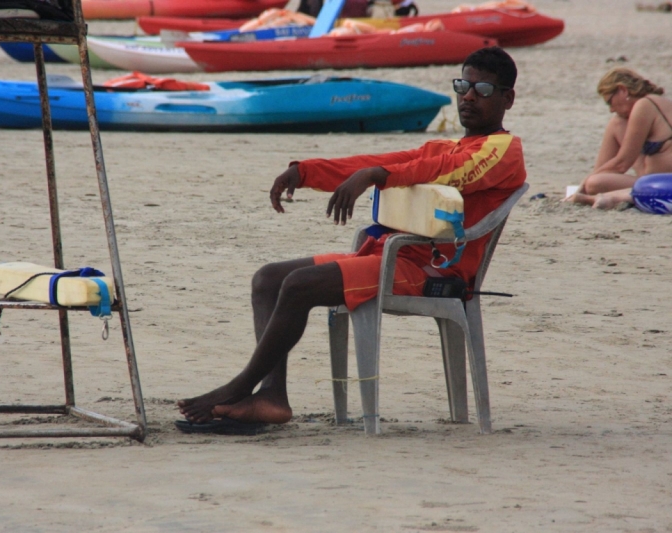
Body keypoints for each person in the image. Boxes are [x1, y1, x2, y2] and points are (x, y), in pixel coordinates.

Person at [176, 46, 526, 430]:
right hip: (395, 259)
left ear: (507, 98)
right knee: (269, 279)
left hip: (437, 274)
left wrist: (375, 176)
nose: (469, 96)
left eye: (483, 90)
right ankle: (272, 398)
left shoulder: (504, 149)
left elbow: (449, 171)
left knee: (299, 286)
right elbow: (383, 161)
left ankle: (238, 386)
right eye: (463, 85)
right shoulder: (444, 145)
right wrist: (307, 172)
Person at [566, 68, 672, 209]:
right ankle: (599, 194)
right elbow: (604, 168)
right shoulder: (646, 106)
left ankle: (599, 195)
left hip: (665, 183)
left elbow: (622, 163)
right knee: (617, 123)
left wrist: (584, 183)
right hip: (649, 181)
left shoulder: (645, 104)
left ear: (623, 90)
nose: (611, 109)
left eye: (610, 102)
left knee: (594, 183)